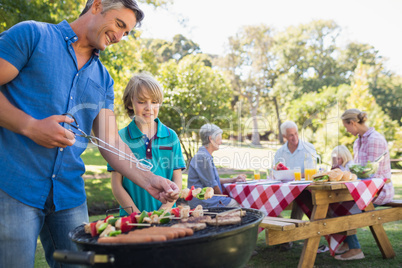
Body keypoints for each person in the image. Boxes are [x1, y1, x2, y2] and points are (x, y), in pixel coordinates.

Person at [0, 1, 179, 267]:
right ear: (96, 6)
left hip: (69, 196)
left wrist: (149, 180)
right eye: (119, 24)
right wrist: (30, 126)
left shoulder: (104, 78)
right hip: (14, 186)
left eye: (127, 32)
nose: (120, 37)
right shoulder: (32, 35)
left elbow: (110, 141)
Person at [108, 73, 186, 215]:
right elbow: (116, 186)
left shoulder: (171, 137)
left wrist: (161, 213)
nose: (149, 107)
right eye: (142, 101)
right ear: (130, 103)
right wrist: (136, 215)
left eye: (154, 102)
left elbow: (177, 181)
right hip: (131, 218)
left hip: (165, 216)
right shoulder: (120, 138)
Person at [334, 108, 394, 261]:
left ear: (353, 123)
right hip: (363, 189)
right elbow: (359, 170)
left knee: (344, 208)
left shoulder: (375, 140)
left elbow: (374, 174)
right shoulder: (357, 141)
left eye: (346, 126)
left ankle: (355, 250)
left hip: (379, 190)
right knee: (334, 204)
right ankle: (348, 243)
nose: (346, 130)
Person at [187, 124, 246, 208]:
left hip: (207, 199)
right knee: (241, 204)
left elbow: (213, 180)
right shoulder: (203, 157)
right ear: (211, 139)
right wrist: (222, 198)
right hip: (204, 202)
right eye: (219, 138)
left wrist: (234, 179)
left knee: (236, 201)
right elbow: (212, 185)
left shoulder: (204, 155)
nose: (221, 142)